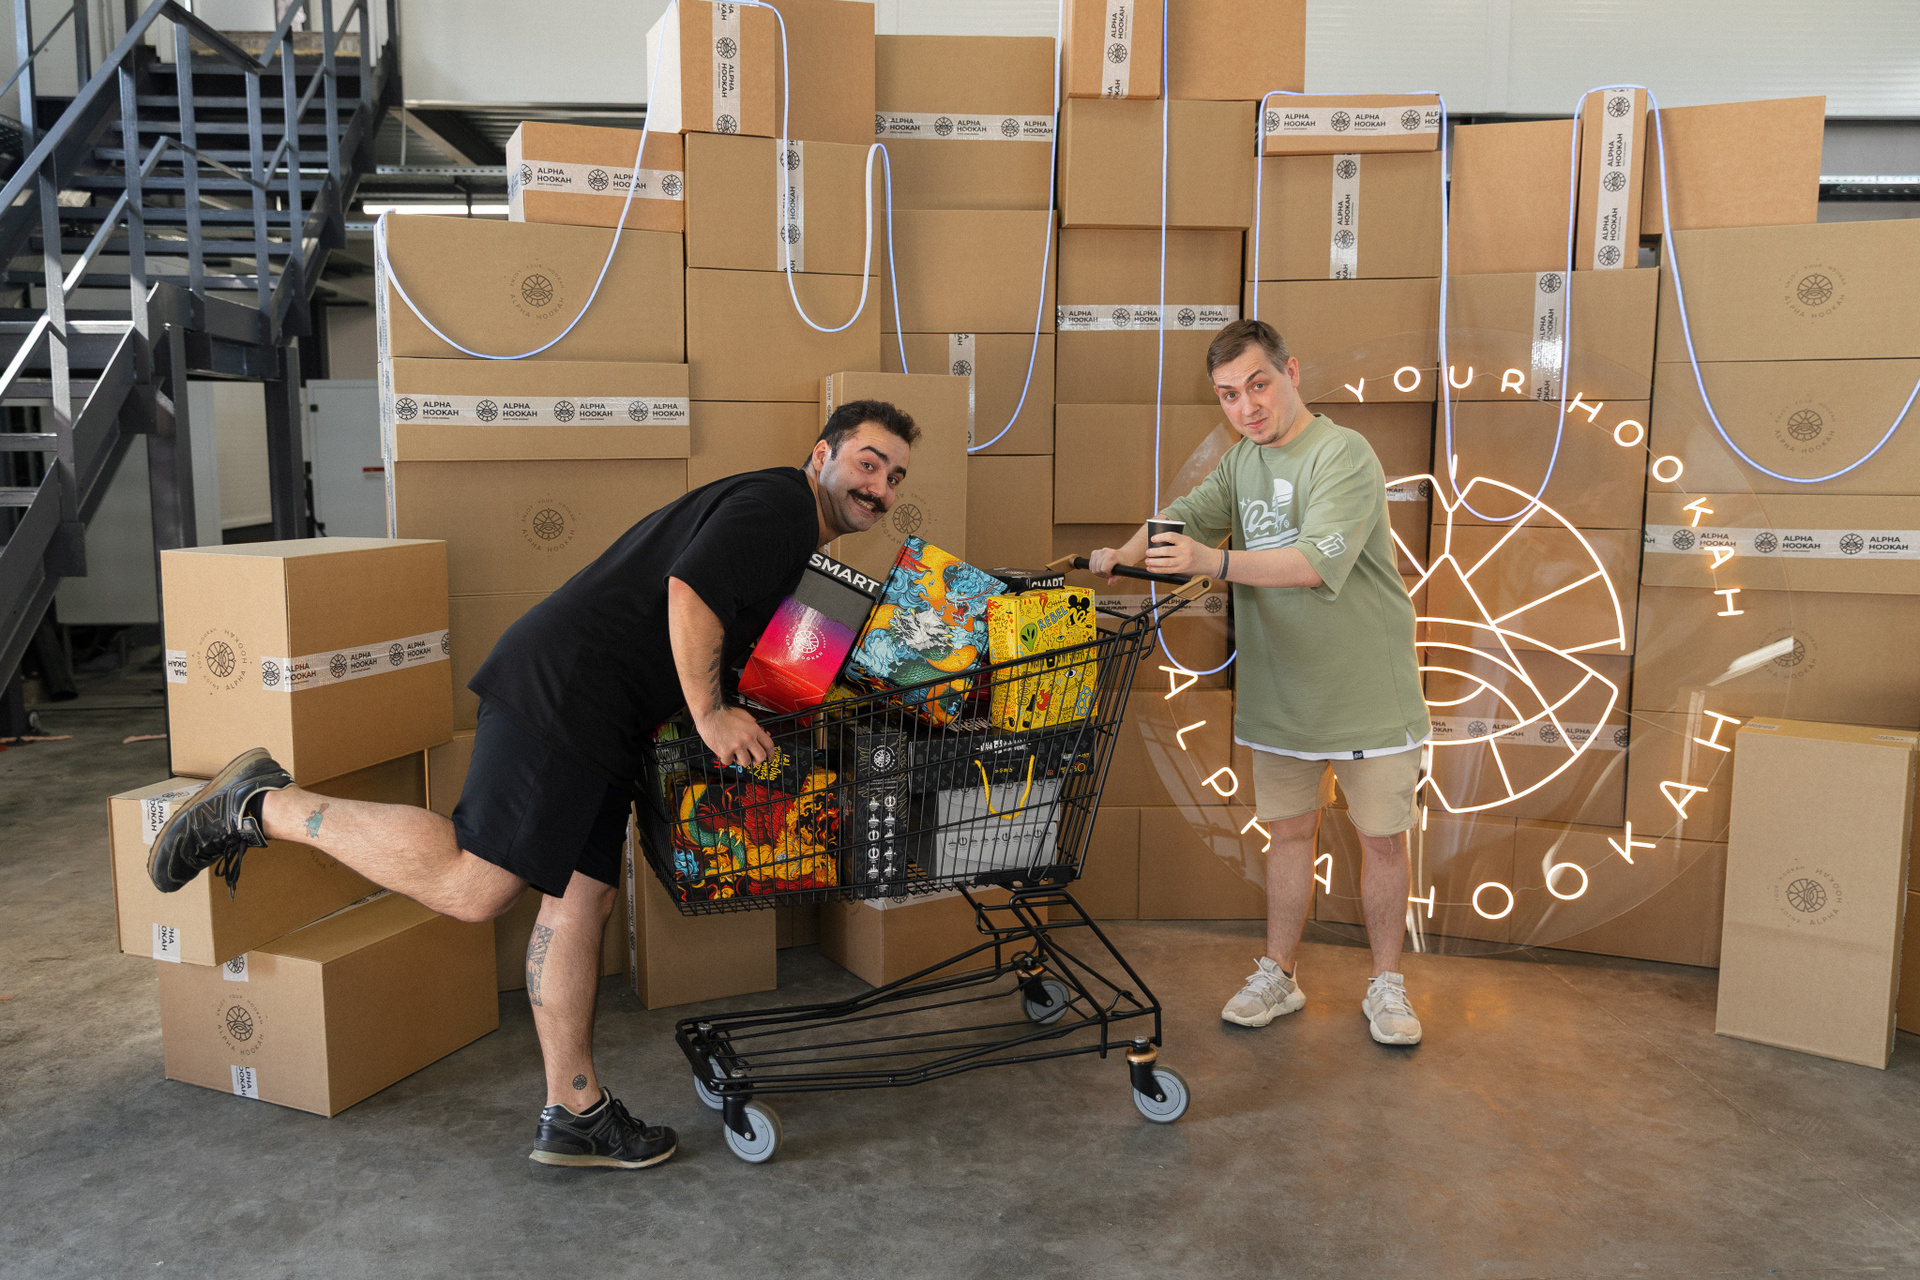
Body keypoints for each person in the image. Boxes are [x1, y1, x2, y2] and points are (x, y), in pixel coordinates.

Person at [146, 400, 920, 1163]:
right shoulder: (780, 505)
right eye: (868, 462)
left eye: (895, 477)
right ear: (821, 454)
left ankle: (575, 1109)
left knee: (584, 896)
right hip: (569, 691)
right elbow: (692, 591)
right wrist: (711, 714)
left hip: (609, 716)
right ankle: (259, 804)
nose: (879, 487)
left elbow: (761, 647)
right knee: (475, 886)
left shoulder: (806, 553)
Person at [1089, 320, 1430, 1047]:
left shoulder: (1343, 453)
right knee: (1288, 834)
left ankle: (1387, 983)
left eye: (1258, 385)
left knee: (1382, 841)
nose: (1246, 406)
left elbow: (1311, 563)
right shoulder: (1241, 463)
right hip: (1281, 693)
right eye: (1227, 395)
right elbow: (1185, 517)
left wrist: (1212, 563)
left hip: (1367, 691)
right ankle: (1280, 973)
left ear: (1290, 372)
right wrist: (1123, 554)